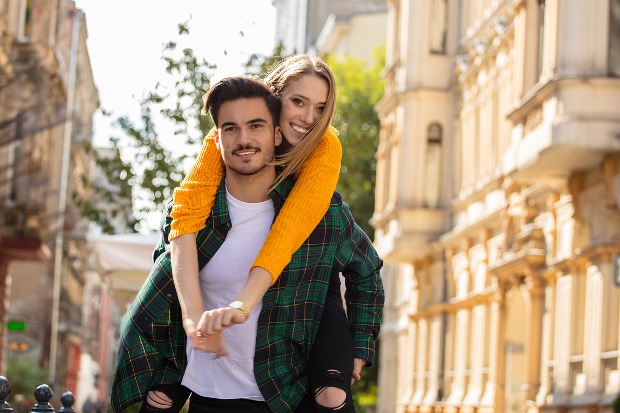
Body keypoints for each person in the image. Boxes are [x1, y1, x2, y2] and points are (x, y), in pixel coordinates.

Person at [111, 76, 384, 413]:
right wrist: (179, 352)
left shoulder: (325, 214)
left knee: (333, 396)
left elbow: (368, 272)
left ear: (275, 133)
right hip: (211, 393)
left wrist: (360, 345)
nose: (244, 139)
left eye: (256, 126)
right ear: (217, 138)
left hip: (285, 389)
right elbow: (167, 284)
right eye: (231, 129)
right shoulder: (195, 210)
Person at [169, 54, 362, 411]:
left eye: (321, 108)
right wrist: (194, 320)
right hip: (225, 342)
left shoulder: (324, 147)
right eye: (298, 102)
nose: (308, 118)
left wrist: (242, 303)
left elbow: (288, 231)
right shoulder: (229, 137)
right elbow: (184, 217)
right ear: (274, 98)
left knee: (333, 395)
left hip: (308, 276)